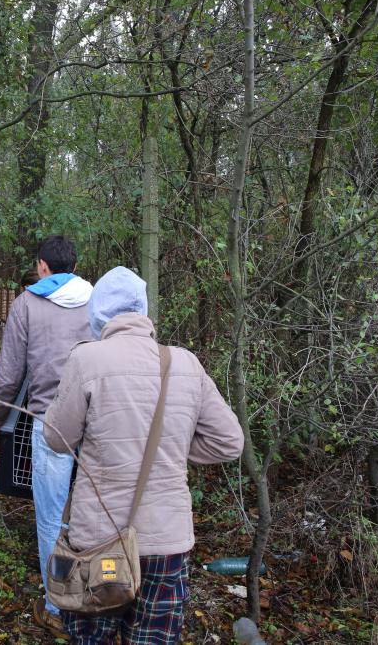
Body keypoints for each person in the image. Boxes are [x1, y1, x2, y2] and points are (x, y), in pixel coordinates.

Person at [43, 266, 244, 644]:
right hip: (167, 544)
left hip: (99, 540)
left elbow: (55, 438)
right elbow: (230, 442)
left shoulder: (87, 360)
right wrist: (173, 450)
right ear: (143, 309)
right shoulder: (185, 363)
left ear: (97, 312)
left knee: (92, 636)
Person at [0, 235, 93, 637]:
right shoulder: (95, 299)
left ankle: (57, 608)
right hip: (95, 422)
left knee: (51, 519)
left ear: (42, 266)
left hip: (50, 423)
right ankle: (98, 593)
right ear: (75, 266)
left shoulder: (27, 303)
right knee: (91, 513)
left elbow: (11, 371)